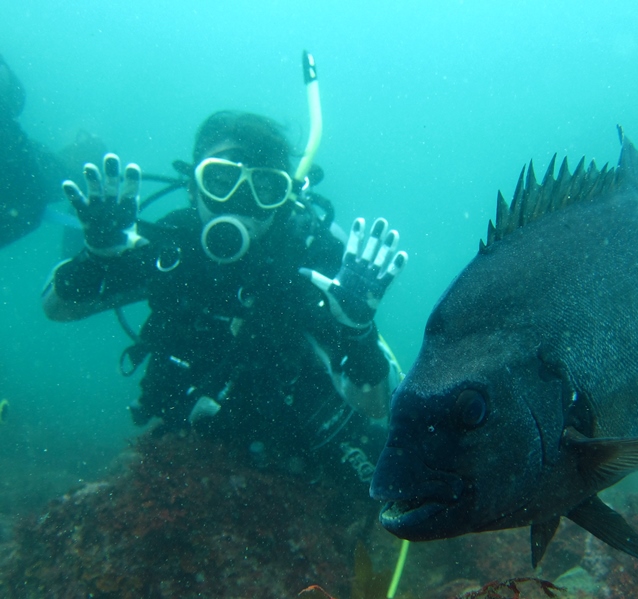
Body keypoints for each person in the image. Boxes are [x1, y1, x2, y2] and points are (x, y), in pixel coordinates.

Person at [41, 100, 407, 480]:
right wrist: (96, 259)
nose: (240, 201)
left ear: (283, 201)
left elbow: (376, 405)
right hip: (192, 446)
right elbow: (58, 308)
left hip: (301, 457)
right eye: (220, 180)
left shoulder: (309, 263)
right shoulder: (173, 247)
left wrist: (358, 335)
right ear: (191, 189)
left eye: (265, 187)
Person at [0, 54, 105, 249]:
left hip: (28, 169)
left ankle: (88, 147)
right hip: (28, 170)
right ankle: (88, 147)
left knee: (67, 173)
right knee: (65, 173)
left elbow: (29, 206)